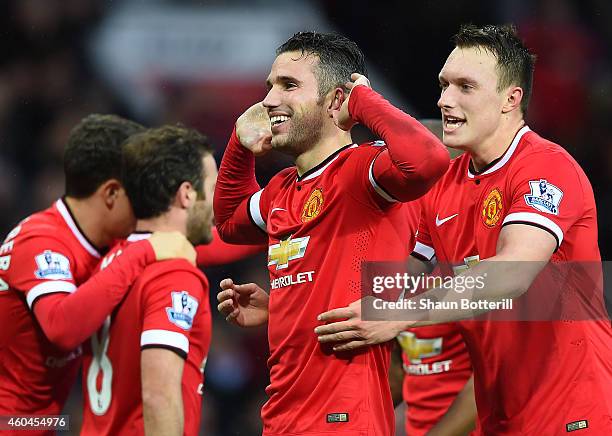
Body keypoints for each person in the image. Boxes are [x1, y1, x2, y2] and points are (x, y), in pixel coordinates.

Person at [315, 24, 612, 434]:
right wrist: (286, 297)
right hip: (501, 418)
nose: (444, 100)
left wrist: (399, 315)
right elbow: (395, 284)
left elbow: (512, 273)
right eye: (443, 85)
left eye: (465, 87)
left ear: (511, 99)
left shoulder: (546, 167)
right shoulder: (446, 188)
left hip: (574, 416)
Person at [215, 31, 449, 435]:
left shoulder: (363, 171)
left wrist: (361, 101)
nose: (269, 100)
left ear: (335, 100)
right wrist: (239, 143)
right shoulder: (282, 190)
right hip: (282, 417)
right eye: (269, 86)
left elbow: (427, 160)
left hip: (343, 419)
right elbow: (229, 221)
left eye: (288, 85)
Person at [0, 115, 194, 433]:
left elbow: (192, 245)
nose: (149, 203)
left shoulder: (109, 241)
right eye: (140, 191)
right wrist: (144, 251)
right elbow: (63, 327)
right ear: (112, 193)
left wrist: (274, 225)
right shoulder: (40, 241)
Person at [80, 125, 216, 436]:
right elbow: (159, 394)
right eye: (214, 187)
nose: (216, 202)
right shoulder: (173, 273)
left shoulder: (113, 260)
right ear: (186, 194)